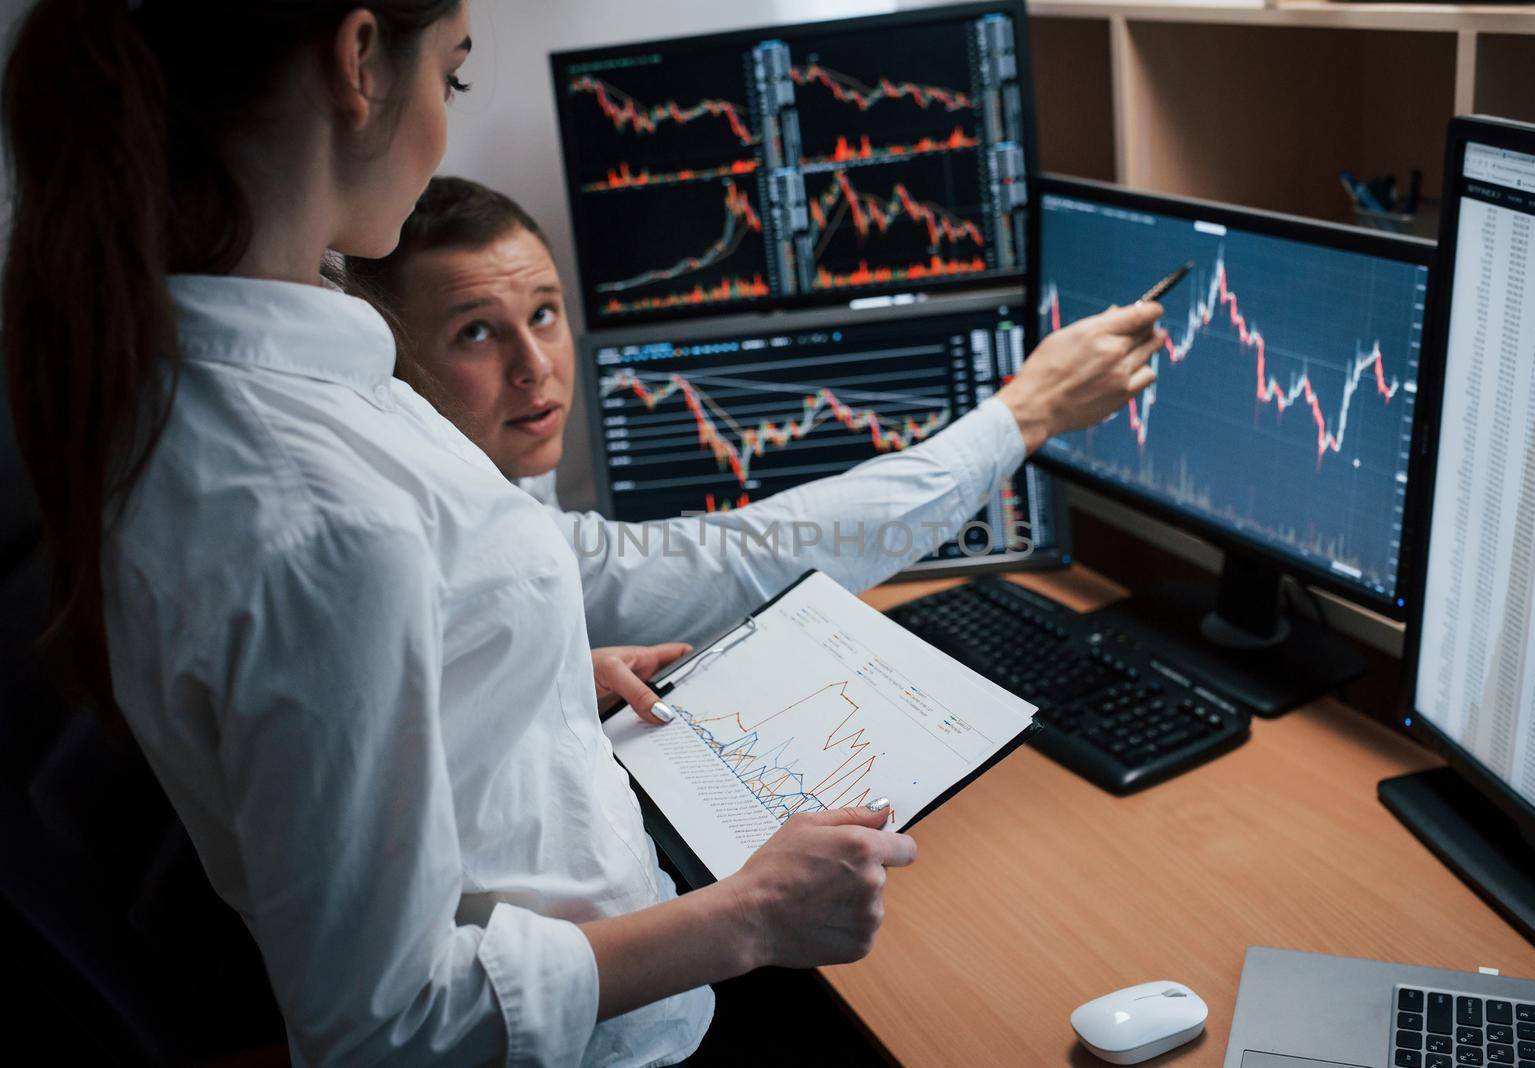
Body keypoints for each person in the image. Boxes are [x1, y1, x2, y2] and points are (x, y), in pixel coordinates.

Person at [1, 4, 1164, 1066]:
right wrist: (751, 918)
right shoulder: (318, 508)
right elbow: (381, 1029)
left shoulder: (215, 384)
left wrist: (541, 668)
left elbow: (366, 687)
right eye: (451, 78)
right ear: (359, 62)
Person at [346, 177, 1168, 720]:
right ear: (395, 354)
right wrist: (1026, 414)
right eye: (476, 332)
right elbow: (739, 561)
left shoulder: (502, 466)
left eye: (546, 314)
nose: (533, 368)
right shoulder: (465, 525)